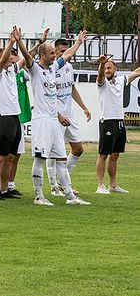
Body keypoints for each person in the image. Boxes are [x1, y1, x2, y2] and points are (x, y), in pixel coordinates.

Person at [20, 28, 90, 206]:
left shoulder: (53, 69)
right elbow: (27, 58)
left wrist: (78, 43)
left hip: (53, 120)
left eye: (54, 53)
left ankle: (70, 197)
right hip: (41, 121)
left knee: (61, 159)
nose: (54, 56)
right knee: (40, 159)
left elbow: (66, 56)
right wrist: (19, 41)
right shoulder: (35, 70)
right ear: (42, 55)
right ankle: (38, 196)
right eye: (51, 53)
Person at [46, 38, 92, 197]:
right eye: (61, 52)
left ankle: (63, 180)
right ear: (55, 52)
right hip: (55, 116)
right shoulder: (51, 69)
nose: (65, 54)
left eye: (67, 51)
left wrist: (84, 107)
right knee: (54, 152)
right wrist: (57, 115)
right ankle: (54, 186)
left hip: (70, 115)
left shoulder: (69, 67)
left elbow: (72, 88)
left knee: (78, 149)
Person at [0, 31, 24, 200]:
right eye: (5, 56)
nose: (9, 57)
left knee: (10, 156)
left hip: (15, 117)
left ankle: (4, 189)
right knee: (0, 156)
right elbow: (3, 60)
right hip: (3, 118)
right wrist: (10, 42)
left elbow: (25, 59)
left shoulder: (12, 71)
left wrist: (38, 43)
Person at [95, 56, 140, 194]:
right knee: (103, 154)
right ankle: (100, 186)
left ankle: (113, 186)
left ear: (115, 69)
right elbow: (101, 75)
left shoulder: (121, 80)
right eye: (105, 68)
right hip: (107, 121)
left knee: (115, 155)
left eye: (109, 67)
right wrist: (102, 65)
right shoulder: (102, 82)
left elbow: (137, 72)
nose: (107, 70)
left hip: (120, 122)